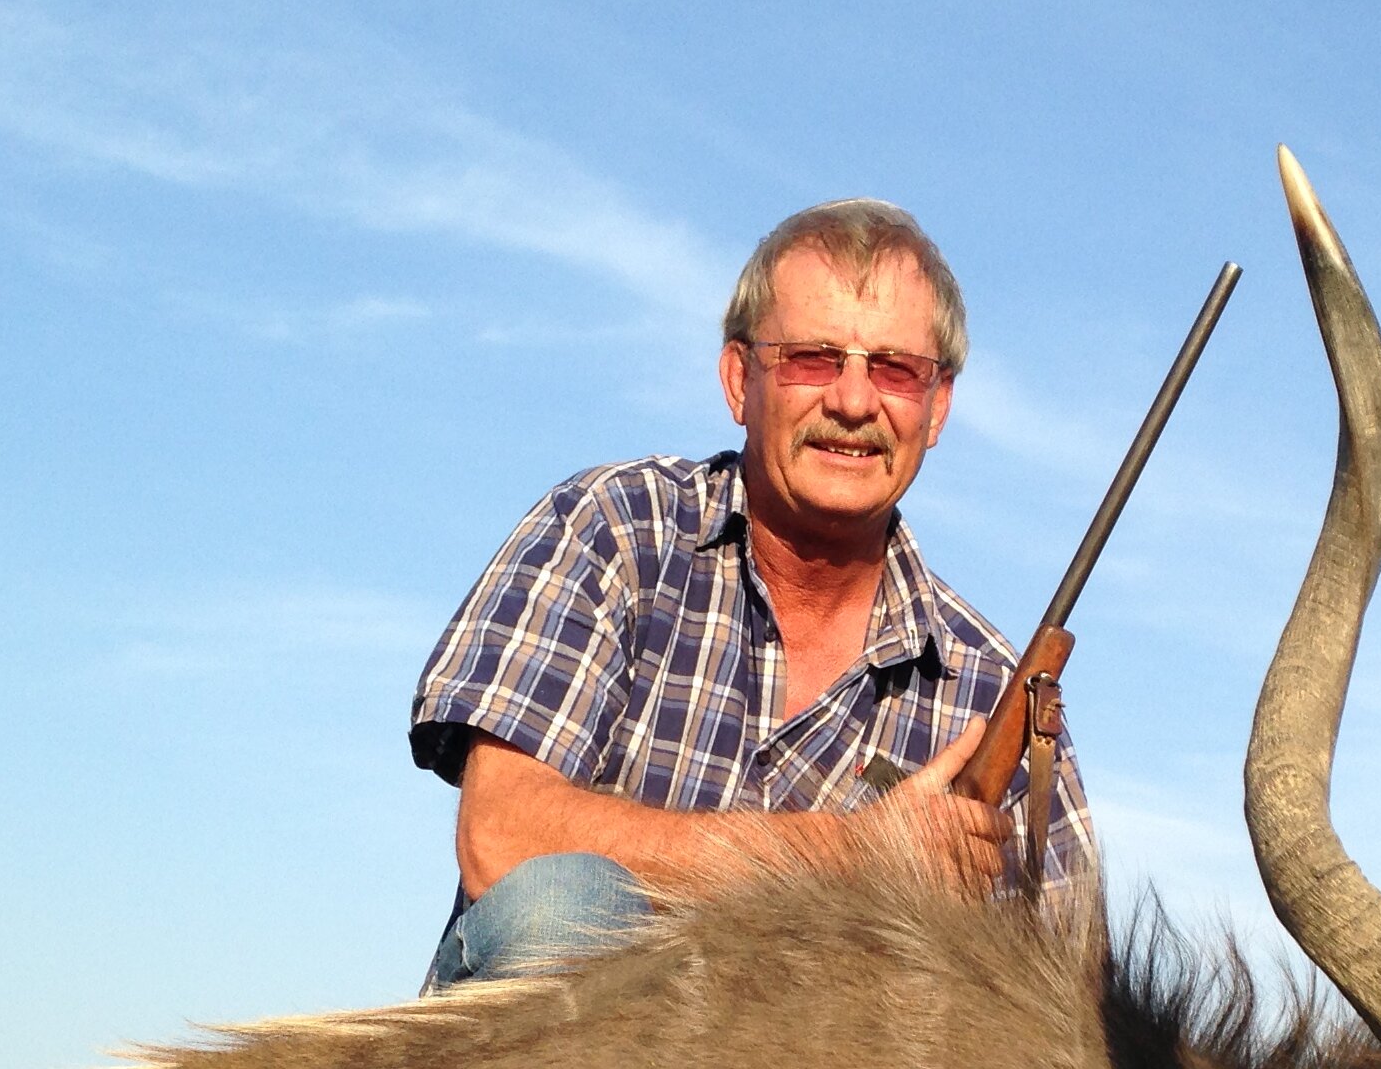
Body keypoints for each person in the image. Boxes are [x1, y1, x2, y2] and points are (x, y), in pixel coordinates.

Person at [408, 198, 1096, 990]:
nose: (853, 401)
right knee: (565, 905)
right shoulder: (615, 528)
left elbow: (1070, 1006)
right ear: (740, 381)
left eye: (896, 370)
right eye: (812, 358)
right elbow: (505, 837)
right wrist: (853, 861)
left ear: (937, 407)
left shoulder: (996, 684)